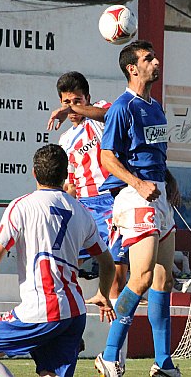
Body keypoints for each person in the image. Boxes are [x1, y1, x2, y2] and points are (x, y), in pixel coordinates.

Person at [0, 144, 117, 377]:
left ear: (34, 173)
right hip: (74, 312)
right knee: (50, 373)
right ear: (65, 174)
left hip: (40, 310)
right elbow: (108, 264)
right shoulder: (81, 211)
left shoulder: (22, 206)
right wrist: (103, 294)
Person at [95, 40, 182, 377]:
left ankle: (163, 363)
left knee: (164, 281)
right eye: (148, 59)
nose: (156, 61)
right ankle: (109, 353)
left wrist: (167, 179)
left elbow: (152, 152)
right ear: (132, 68)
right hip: (135, 195)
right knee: (142, 276)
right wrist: (137, 183)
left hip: (158, 193)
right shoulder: (122, 107)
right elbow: (107, 157)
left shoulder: (155, 106)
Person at [51, 71, 130, 305]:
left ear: (88, 99)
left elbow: (110, 116)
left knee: (117, 267)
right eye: (66, 102)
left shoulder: (100, 113)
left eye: (77, 101)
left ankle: (112, 308)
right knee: (69, 258)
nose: (72, 108)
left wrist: (75, 110)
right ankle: (62, 305)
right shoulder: (65, 140)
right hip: (85, 204)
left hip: (112, 198)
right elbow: (71, 182)